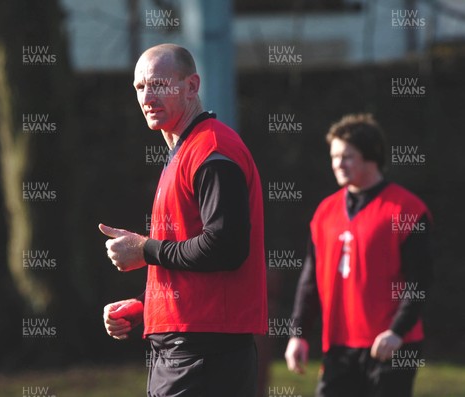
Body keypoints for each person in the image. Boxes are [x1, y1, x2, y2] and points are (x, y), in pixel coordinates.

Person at [99, 43, 267, 397]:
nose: (148, 95)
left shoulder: (212, 150)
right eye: (140, 87)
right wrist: (149, 306)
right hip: (188, 349)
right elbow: (195, 260)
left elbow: (225, 247)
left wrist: (145, 250)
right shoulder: (186, 150)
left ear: (191, 86)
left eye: (159, 84)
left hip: (203, 353)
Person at [284, 114, 433, 397]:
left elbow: (421, 282)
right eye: (334, 156)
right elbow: (310, 280)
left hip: (390, 345)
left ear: (371, 155)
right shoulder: (325, 213)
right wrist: (298, 334)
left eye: (347, 156)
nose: (338, 164)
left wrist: (397, 331)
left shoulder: (407, 210)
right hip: (340, 345)